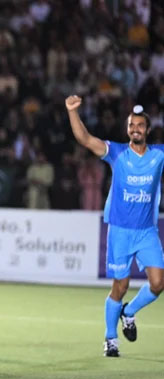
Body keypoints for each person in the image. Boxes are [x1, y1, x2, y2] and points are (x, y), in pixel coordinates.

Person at [66, 96, 164, 357]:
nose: (135, 129)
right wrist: (72, 111)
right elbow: (85, 139)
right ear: (127, 128)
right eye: (132, 125)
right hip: (120, 231)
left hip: (146, 232)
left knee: (157, 283)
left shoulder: (159, 155)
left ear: (147, 129)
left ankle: (128, 312)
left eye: (140, 126)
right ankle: (111, 339)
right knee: (119, 286)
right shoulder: (117, 153)